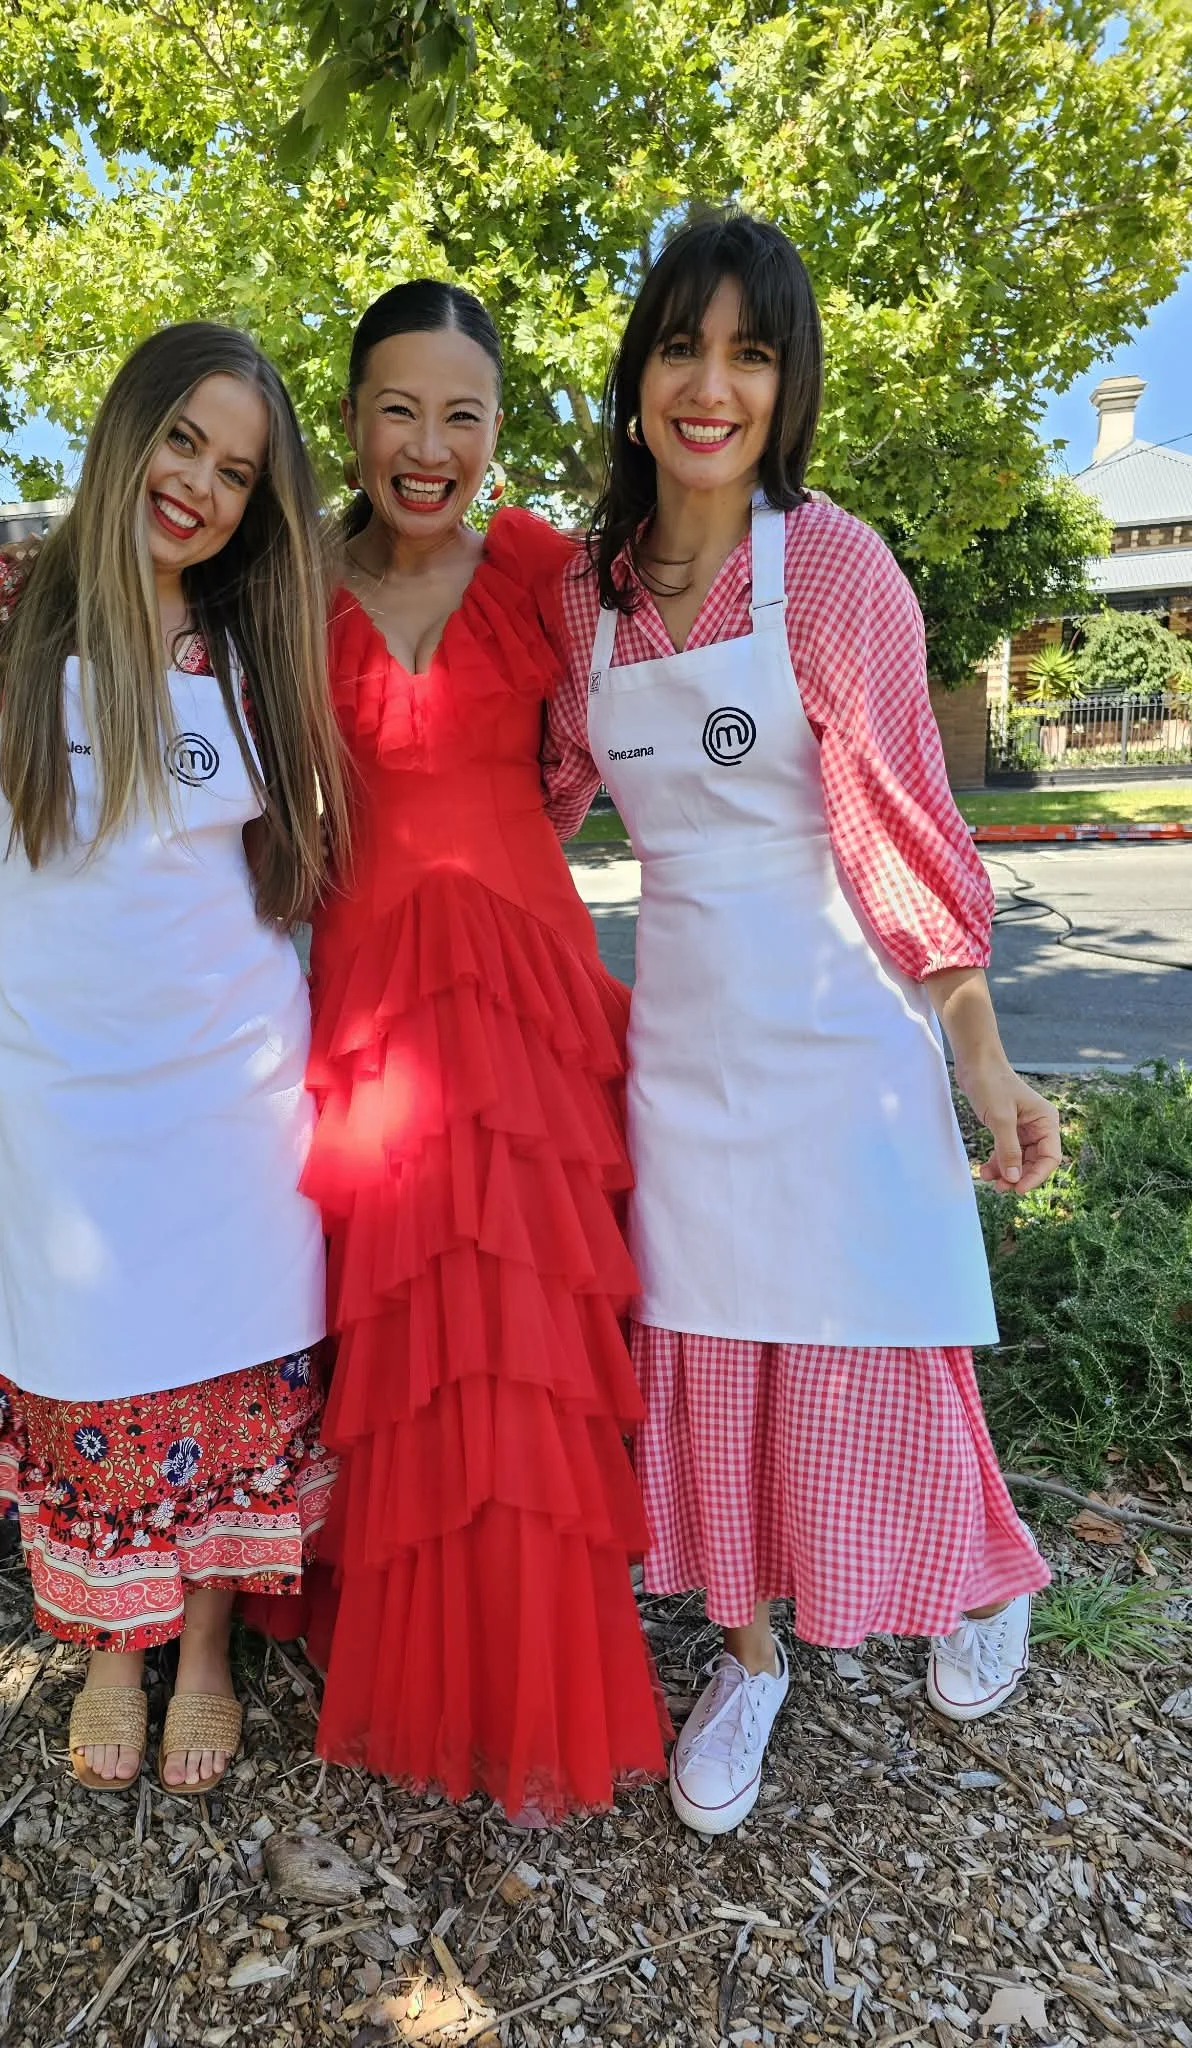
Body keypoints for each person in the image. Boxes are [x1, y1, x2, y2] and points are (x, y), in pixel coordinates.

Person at [544, 211, 1061, 1836]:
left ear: (786, 385)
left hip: (841, 1034)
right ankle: (749, 1650)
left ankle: (990, 1577)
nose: (711, 386)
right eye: (682, 347)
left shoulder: (830, 564)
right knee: (706, 1356)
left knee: (869, 1353)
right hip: (683, 1051)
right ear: (635, 378)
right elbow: (531, 802)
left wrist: (978, 1053)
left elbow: (904, 825)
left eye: (750, 354)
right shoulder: (583, 599)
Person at [0, 323, 348, 1796]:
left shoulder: (257, 640)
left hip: (237, 1093)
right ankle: (112, 1653)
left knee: (230, 1376)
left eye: (239, 472)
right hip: (61, 1095)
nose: (200, 486)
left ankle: (205, 1649)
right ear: (126, 424)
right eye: (184, 440)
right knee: (95, 1387)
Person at [284, 280, 670, 1823]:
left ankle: (539, 1675)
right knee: (406, 1354)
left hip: (524, 1002)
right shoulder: (287, 587)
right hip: (374, 1010)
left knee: (530, 1348)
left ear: (499, 433)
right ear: (354, 420)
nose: (429, 445)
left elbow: (648, 700)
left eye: (464, 414)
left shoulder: (543, 573)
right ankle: (418, 1661)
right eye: (400, 409)